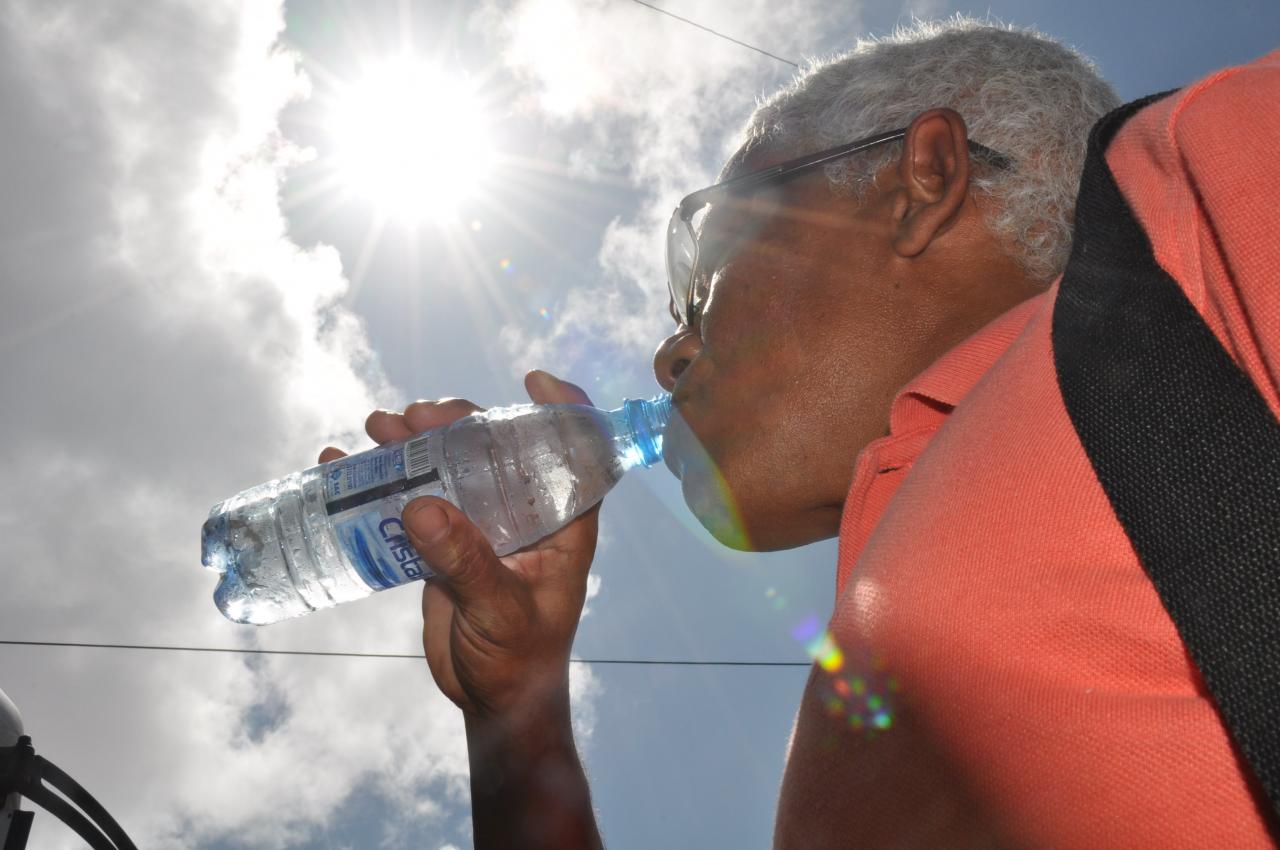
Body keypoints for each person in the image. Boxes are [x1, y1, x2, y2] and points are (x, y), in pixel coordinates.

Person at [322, 18, 1280, 849]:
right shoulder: (861, 712)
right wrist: (518, 712)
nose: (670, 353)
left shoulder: (1208, 203)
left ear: (922, 180)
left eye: (704, 282)